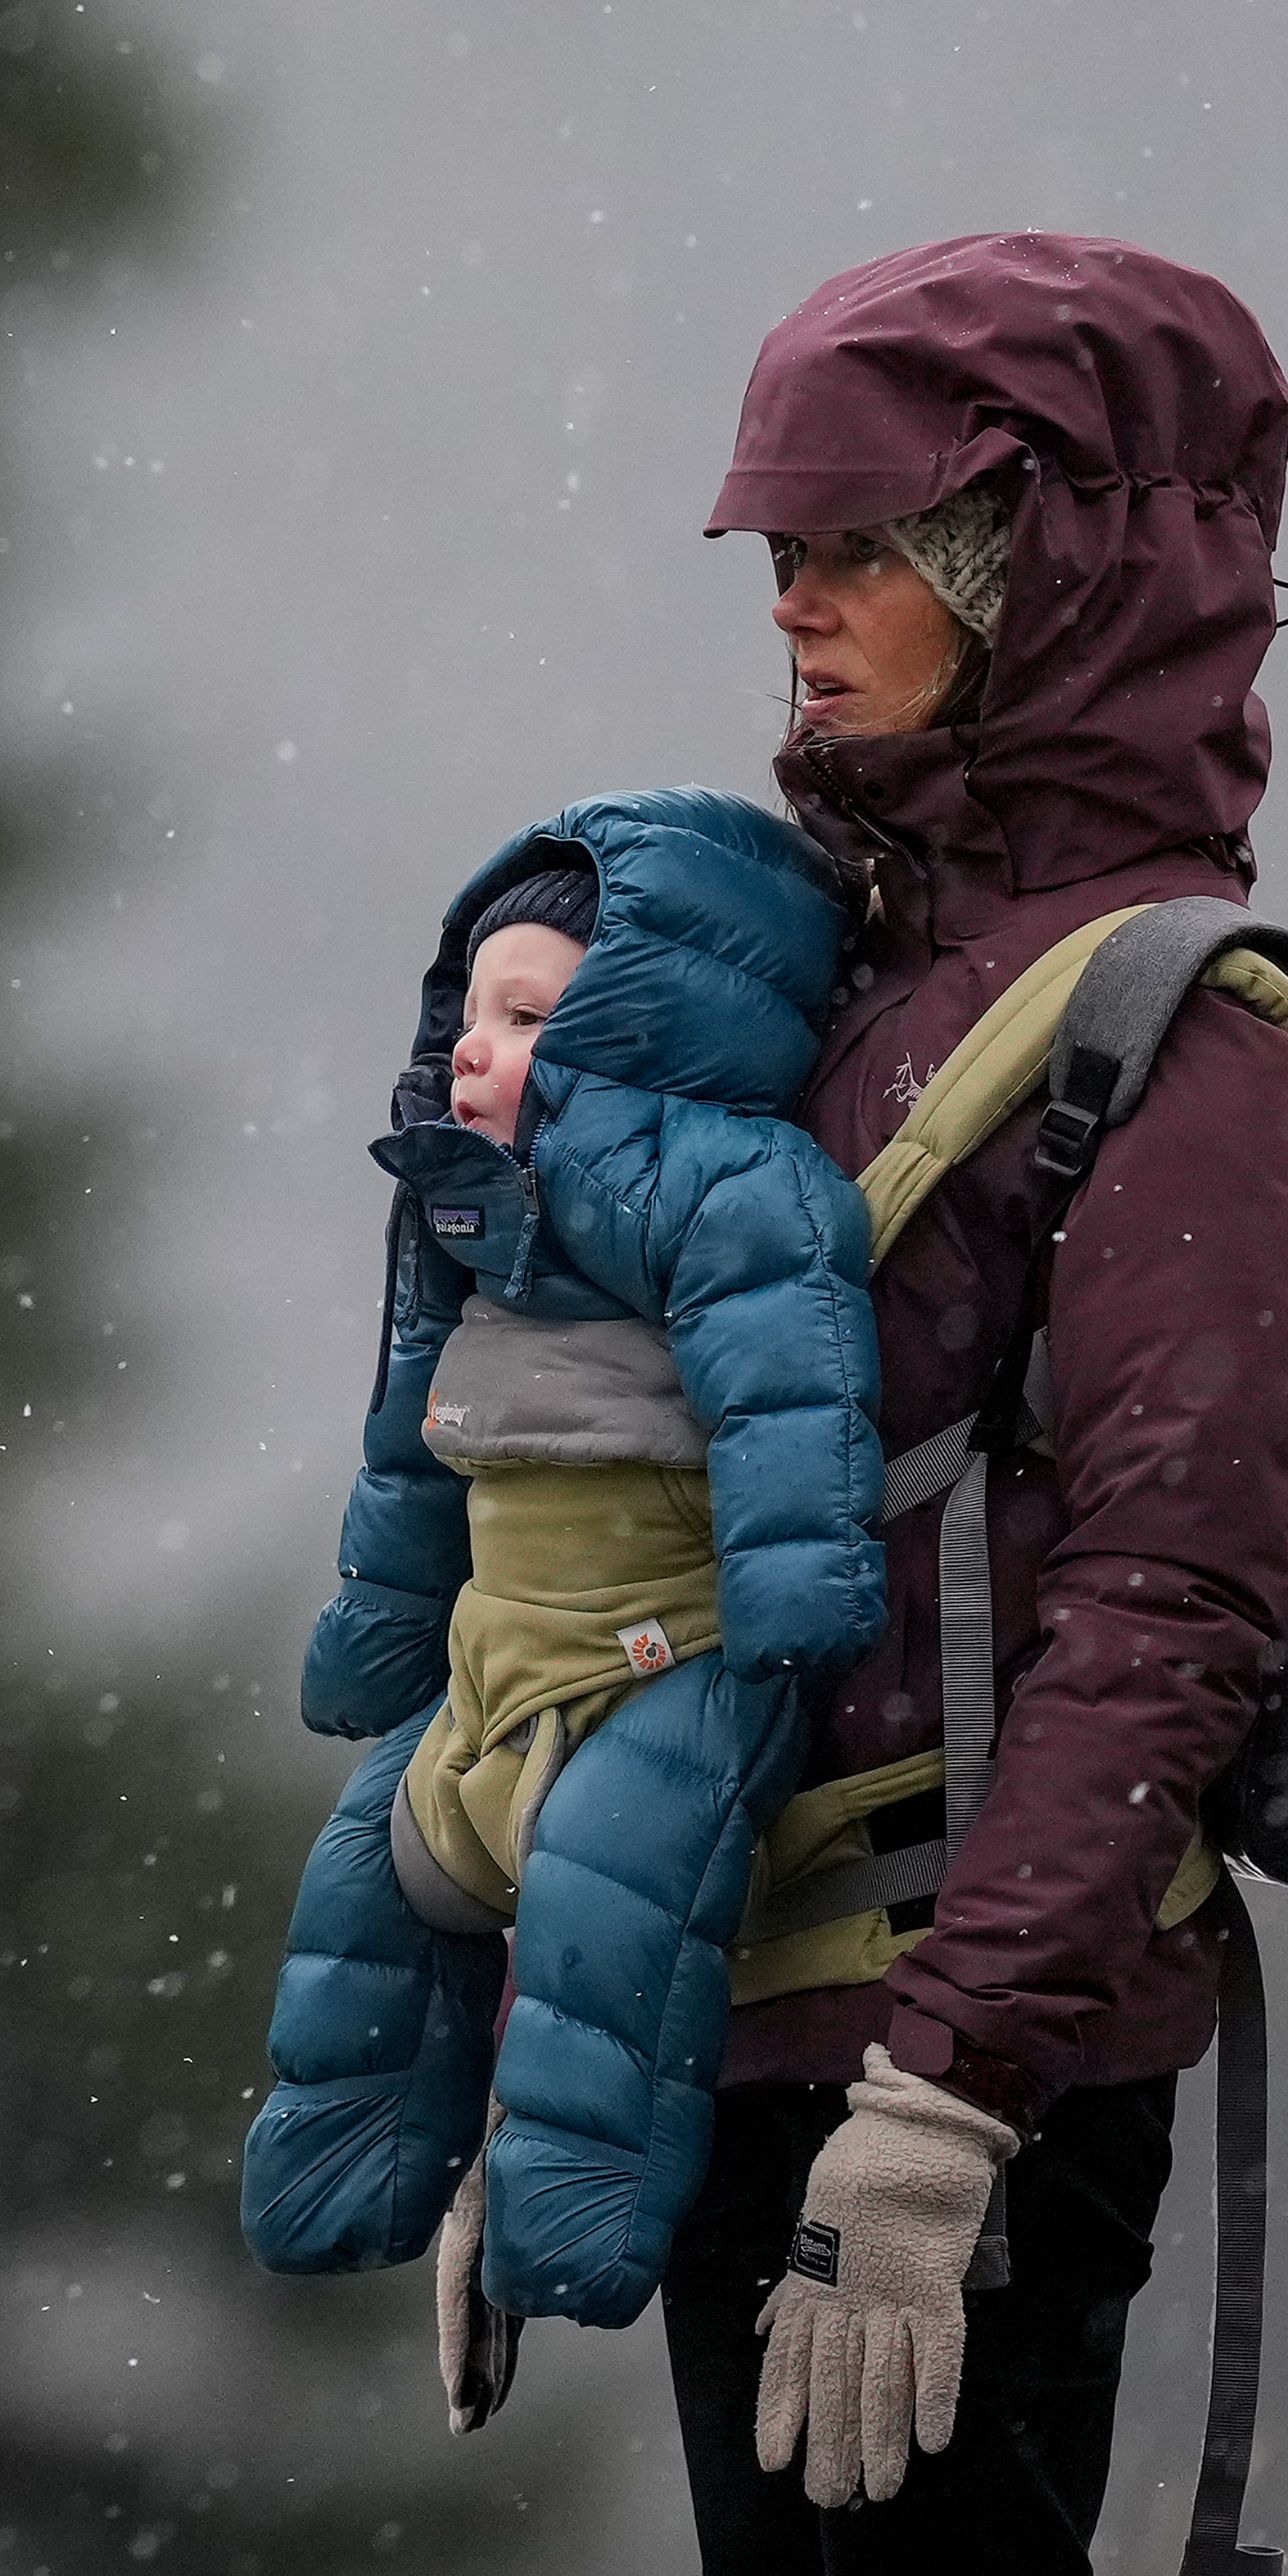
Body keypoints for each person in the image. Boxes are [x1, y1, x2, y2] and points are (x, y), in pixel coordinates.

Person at [668, 233, 1288, 2576]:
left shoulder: (1196, 1031)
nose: (796, 604)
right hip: (758, 2039)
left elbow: (1175, 1603)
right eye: (784, 552)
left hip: (973, 2078)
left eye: (859, 547)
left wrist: (947, 2100)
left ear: (1037, 566)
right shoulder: (845, 966)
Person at [238, 789, 888, 2376]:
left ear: (655, 1023)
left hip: (672, 1663)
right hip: (499, 1657)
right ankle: (344, 2166)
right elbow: (410, 1447)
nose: (474, 1046)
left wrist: (805, 1590)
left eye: (527, 1013)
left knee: (614, 1903)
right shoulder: (469, 1219)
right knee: (372, 1860)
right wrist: (383, 1632)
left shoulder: (739, 1187)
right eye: (470, 1012)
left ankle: (577, 2207)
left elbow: (790, 1394)